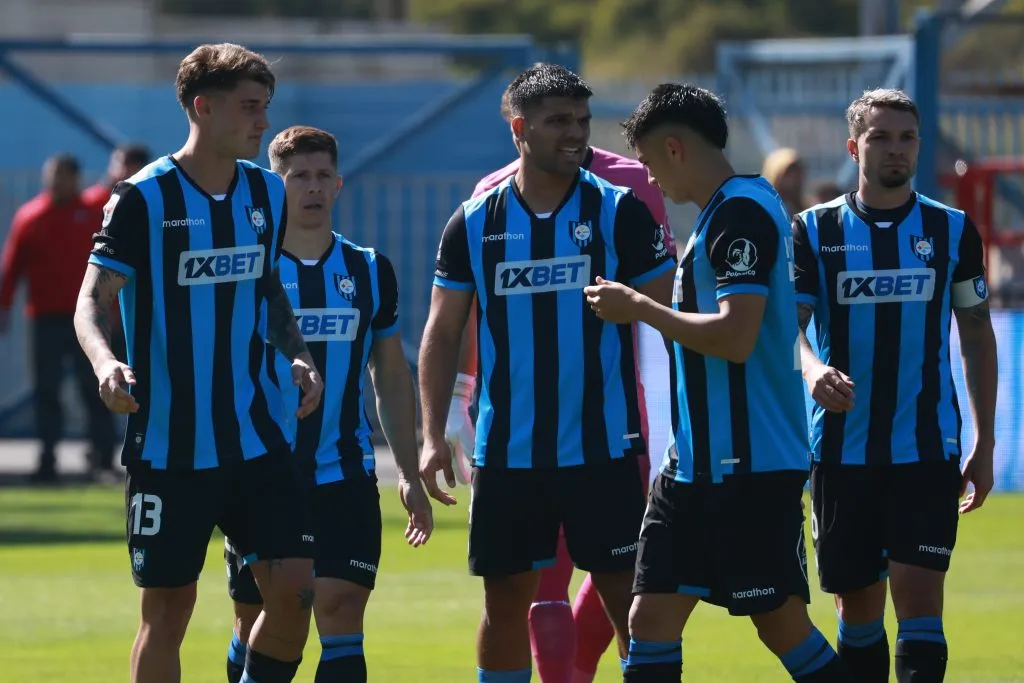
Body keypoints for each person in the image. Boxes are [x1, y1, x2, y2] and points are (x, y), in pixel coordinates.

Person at [584, 83, 851, 683]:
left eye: (649, 163)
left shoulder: (740, 214)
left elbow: (736, 337)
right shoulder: (722, 214)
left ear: (674, 148)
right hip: (692, 468)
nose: (651, 179)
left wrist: (640, 308)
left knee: (780, 625)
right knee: (649, 620)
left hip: (749, 468)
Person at [418, 64, 676, 683]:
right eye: (559, 121)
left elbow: (672, 321)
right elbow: (442, 331)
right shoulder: (475, 221)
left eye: (582, 121)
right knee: (506, 602)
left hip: (604, 448)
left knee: (630, 603)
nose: (576, 133)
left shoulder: (619, 212)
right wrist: (432, 434)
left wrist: (679, 431)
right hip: (508, 453)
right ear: (519, 129)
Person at [74, 43, 322, 683]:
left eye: (265, 106)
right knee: (168, 611)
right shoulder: (143, 199)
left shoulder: (266, 192)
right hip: (169, 447)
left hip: (255, 438)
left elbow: (266, 286)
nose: (263, 122)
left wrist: (297, 355)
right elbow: (91, 302)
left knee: (296, 594)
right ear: (203, 108)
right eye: (250, 107)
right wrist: (105, 363)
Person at [792, 88, 998, 683]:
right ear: (854, 147)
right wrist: (813, 370)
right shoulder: (814, 230)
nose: (895, 149)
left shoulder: (952, 230)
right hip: (840, 451)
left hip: (926, 449)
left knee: (920, 599)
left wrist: (984, 443)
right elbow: (788, 329)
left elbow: (976, 334)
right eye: (880, 137)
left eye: (907, 137)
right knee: (857, 611)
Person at [222, 125, 435, 683]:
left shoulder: (368, 270)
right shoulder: (250, 271)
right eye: (299, 177)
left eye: (323, 176)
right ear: (276, 185)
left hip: (345, 473)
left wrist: (407, 472)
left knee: (341, 609)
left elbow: (390, 373)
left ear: (338, 184)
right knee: (261, 619)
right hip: (261, 475)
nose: (313, 187)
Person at [0, 152, 116, 483]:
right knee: (47, 390)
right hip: (46, 318)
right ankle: (47, 461)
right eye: (51, 176)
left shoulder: (94, 212)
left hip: (89, 318)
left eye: (62, 176)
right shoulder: (31, 216)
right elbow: (12, 265)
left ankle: (103, 460)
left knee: (95, 386)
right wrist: (4, 305)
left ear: (75, 178)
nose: (55, 182)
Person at [82, 143, 153, 210]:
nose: (114, 168)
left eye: (120, 163)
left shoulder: (151, 200)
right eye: (115, 163)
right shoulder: (92, 200)